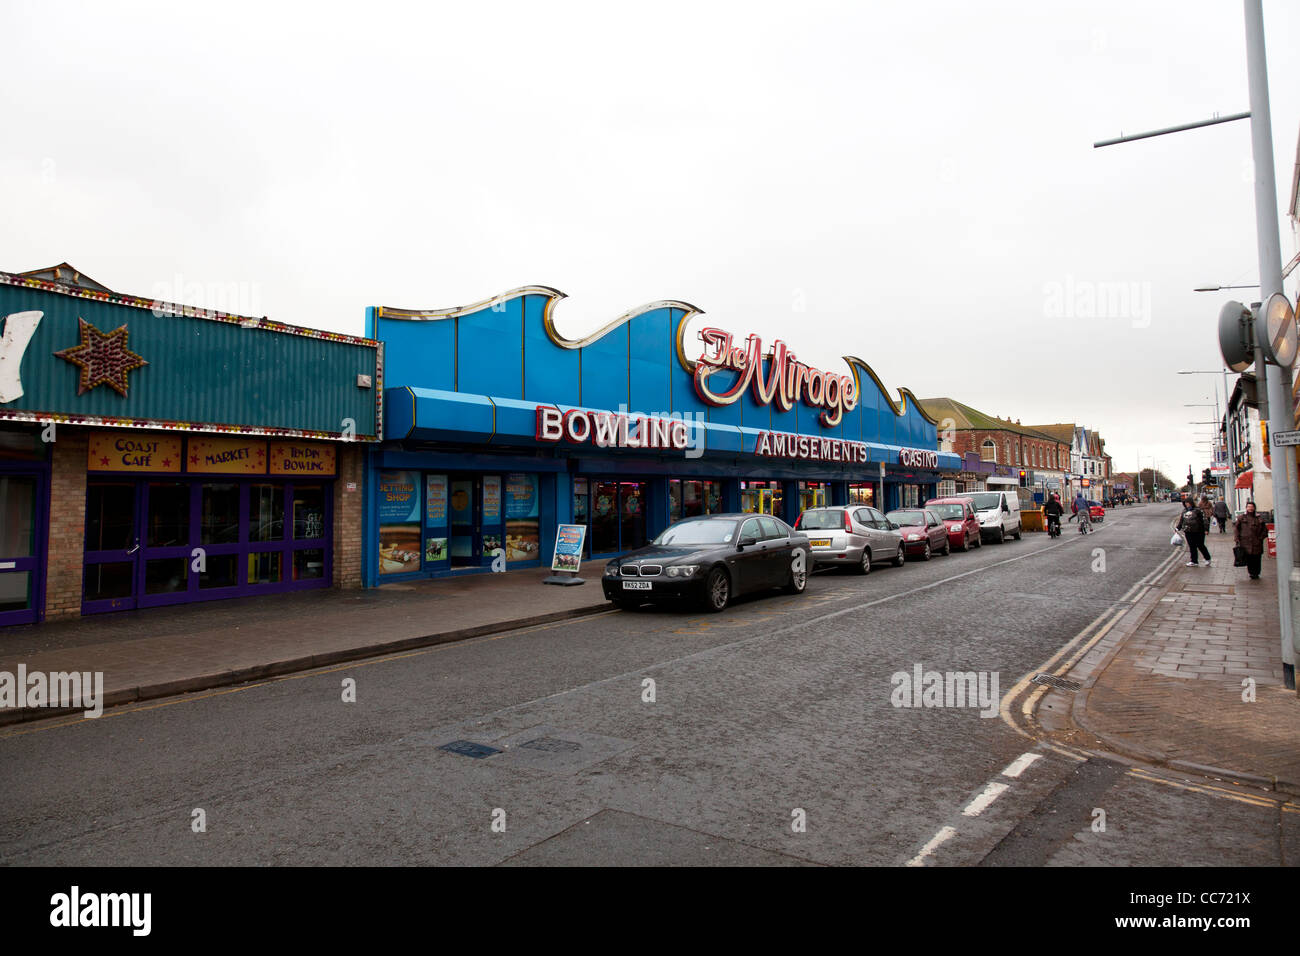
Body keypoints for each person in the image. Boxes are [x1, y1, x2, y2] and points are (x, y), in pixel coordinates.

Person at [1234, 500, 1269, 580]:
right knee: (1249, 558)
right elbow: (1236, 529)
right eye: (1248, 507)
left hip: (1257, 543)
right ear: (1246, 508)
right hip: (1245, 542)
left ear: (1254, 508)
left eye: (1252, 507)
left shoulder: (1259, 519)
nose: (1250, 508)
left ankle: (1256, 573)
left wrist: (1260, 538)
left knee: (1256, 558)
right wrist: (1237, 538)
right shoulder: (1241, 518)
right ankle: (1251, 573)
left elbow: (1265, 530)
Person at [1177, 497, 1211, 567]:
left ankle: (1207, 558)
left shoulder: (1198, 510)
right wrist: (1178, 528)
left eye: (1187, 503)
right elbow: (1181, 520)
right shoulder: (1184, 511)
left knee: (1200, 545)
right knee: (1192, 546)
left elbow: (1205, 520)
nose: (1186, 504)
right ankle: (1194, 561)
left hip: (1198, 531)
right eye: (1185, 503)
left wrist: (1206, 529)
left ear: (1191, 503)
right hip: (1188, 531)